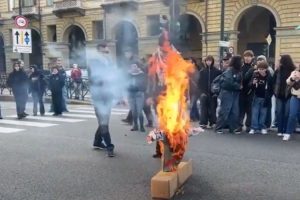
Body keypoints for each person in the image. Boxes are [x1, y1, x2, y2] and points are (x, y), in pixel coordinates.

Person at [88, 42, 116, 157]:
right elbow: (93, 79)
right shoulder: (94, 63)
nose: (107, 50)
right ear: (100, 50)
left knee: (104, 122)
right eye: (105, 49)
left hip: (107, 96)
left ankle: (97, 142)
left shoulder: (108, 62)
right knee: (104, 123)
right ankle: (109, 146)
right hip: (98, 97)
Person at [215, 55, 243, 134]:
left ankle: (233, 128)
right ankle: (218, 127)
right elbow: (228, 82)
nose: (242, 62)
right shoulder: (229, 71)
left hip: (234, 93)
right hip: (227, 93)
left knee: (234, 111)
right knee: (225, 110)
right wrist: (238, 86)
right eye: (241, 61)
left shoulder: (238, 71)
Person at [273, 55, 295, 139]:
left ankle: (285, 130)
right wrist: (275, 92)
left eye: (280, 60)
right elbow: (274, 82)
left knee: (287, 113)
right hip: (279, 95)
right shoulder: (278, 71)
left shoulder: (292, 70)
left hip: (289, 95)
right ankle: (279, 130)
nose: (279, 62)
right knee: (279, 113)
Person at [248, 61, 273, 134]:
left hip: (265, 97)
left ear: (266, 69)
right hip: (256, 96)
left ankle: (262, 127)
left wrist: (269, 96)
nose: (260, 70)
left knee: (263, 113)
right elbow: (250, 85)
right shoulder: (255, 74)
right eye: (259, 69)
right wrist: (253, 83)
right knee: (255, 113)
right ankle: (253, 127)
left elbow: (271, 87)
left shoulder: (269, 76)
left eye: (262, 69)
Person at [198, 55, 222, 128]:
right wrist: (201, 92)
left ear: (212, 61)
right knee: (203, 108)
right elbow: (199, 83)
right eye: (207, 61)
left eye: (210, 61)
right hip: (204, 93)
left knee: (213, 108)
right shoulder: (202, 71)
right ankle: (203, 122)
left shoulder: (217, 71)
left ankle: (213, 122)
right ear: (205, 62)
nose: (208, 62)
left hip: (213, 93)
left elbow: (219, 83)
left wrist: (216, 93)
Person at [237, 50, 255, 133]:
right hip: (241, 91)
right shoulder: (240, 67)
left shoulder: (254, 68)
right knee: (241, 110)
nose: (247, 58)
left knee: (249, 110)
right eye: (246, 56)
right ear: (243, 57)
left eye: (249, 56)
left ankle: (248, 125)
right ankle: (239, 125)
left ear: (252, 58)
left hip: (251, 91)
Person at [282, 57, 298, 141]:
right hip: (295, 96)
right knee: (292, 114)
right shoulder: (295, 72)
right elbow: (288, 82)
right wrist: (293, 78)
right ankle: (288, 133)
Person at [128, 63, 146, 132]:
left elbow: (145, 84)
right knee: (133, 111)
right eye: (132, 67)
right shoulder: (128, 75)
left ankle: (141, 126)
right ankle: (135, 126)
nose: (134, 68)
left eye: (135, 66)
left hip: (139, 94)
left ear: (137, 67)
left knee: (139, 111)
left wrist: (141, 89)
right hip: (131, 94)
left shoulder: (141, 74)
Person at [188, 57, 200, 122]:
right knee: (194, 103)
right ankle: (197, 117)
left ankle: (192, 116)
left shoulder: (195, 70)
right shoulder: (189, 70)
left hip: (196, 89)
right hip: (191, 90)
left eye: (190, 62)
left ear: (194, 63)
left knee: (192, 103)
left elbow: (197, 79)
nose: (189, 63)